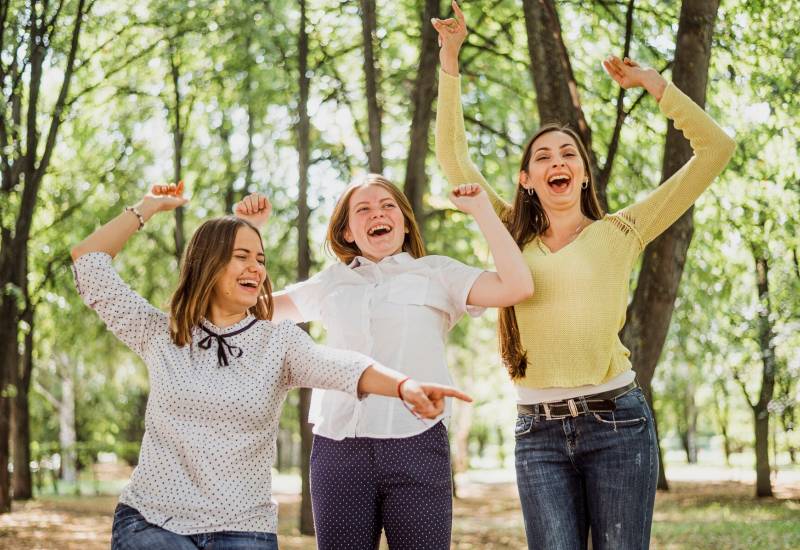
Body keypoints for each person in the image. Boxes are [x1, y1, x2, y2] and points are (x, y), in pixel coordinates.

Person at [432, 2, 736, 549]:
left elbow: (717, 149)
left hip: (618, 425)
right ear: (527, 179)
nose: (558, 161)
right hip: (537, 432)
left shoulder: (623, 230)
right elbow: (454, 160)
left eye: (568, 153)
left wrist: (654, 84)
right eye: (544, 156)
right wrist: (449, 59)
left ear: (582, 173)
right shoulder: (510, 233)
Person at [71, 182, 472, 550]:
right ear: (206, 265)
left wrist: (403, 386)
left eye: (260, 259)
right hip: (154, 522)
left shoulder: (278, 342)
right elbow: (88, 262)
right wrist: (148, 206)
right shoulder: (161, 333)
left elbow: (343, 367)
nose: (257, 268)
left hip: (244, 529)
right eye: (241, 257)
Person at [234, 173, 533, 549]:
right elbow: (249, 309)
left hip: (417, 444)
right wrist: (249, 232)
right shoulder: (330, 282)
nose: (377, 213)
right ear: (347, 232)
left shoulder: (438, 273)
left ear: (405, 223)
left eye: (387, 205)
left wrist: (481, 211)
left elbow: (517, 286)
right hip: (338, 448)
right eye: (363, 209)